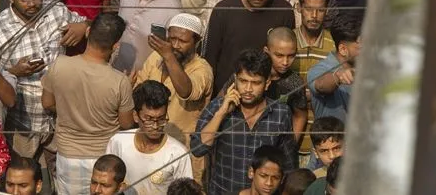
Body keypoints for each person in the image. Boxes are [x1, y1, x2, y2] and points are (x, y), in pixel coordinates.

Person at [0, 0, 88, 167]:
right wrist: (14, 72)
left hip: (60, 119)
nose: (32, 4)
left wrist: (84, 26)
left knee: (61, 172)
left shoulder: (58, 12)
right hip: (23, 123)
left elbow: (92, 25)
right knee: (23, 175)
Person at [42, 13, 135, 195]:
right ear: (115, 46)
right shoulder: (120, 81)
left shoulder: (59, 65)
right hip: (103, 160)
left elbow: (47, 103)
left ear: (88, 32)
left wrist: (69, 109)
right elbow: (126, 124)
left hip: (68, 155)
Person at [192, 49, 296, 195]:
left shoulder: (280, 113)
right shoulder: (218, 107)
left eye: (255, 83)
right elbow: (197, 148)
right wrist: (221, 114)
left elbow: (289, 165)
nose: (248, 89)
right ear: (235, 79)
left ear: (267, 84)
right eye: (243, 81)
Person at [133, 13, 213, 181]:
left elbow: (187, 92)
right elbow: (138, 93)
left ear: (196, 43)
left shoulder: (202, 69)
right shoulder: (156, 57)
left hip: (183, 152)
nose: (175, 46)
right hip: (151, 146)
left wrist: (168, 56)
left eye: (182, 41)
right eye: (172, 39)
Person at [204, 0, 296, 96]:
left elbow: (286, 57)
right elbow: (209, 60)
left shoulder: (284, 11)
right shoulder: (223, 10)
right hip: (226, 95)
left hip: (267, 97)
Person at [106, 81, 194, 195]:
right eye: (148, 119)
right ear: (135, 116)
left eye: (161, 119)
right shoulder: (118, 142)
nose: (156, 126)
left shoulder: (178, 154)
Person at [294, 0, 336, 164]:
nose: (314, 15)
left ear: (326, 10)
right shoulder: (285, 42)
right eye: (309, 9)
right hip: (292, 139)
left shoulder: (334, 45)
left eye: (320, 10)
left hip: (324, 145)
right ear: (299, 8)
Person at [306, 12, 361, 124]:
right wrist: (338, 77)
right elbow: (321, 85)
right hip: (333, 140)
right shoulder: (319, 69)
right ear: (343, 49)